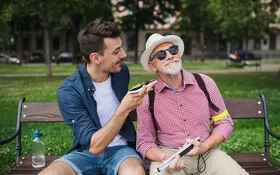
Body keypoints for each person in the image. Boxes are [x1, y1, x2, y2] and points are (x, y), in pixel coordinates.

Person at [40, 18, 150, 175]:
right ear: (95, 58)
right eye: (116, 51)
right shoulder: (69, 91)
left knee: (134, 172)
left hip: (122, 151)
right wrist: (125, 108)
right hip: (85, 153)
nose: (124, 54)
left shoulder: (121, 72)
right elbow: (94, 146)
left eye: (121, 48)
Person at [136, 33, 249, 175]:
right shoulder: (147, 96)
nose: (170, 56)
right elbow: (144, 142)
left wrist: (205, 146)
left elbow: (224, 122)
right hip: (170, 155)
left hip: (207, 153)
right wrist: (164, 158)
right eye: (161, 54)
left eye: (173, 50)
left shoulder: (205, 83)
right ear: (152, 66)